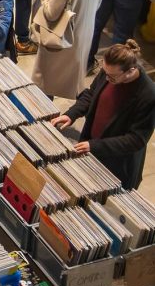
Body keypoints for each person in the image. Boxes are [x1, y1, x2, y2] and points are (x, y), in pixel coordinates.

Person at [53, 40, 155, 190]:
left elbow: (136, 140)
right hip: (91, 147)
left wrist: (94, 146)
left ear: (130, 71)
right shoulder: (110, 70)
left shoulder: (148, 95)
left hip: (115, 164)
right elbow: (91, 94)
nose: (107, 78)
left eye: (112, 77)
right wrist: (72, 114)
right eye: (104, 72)